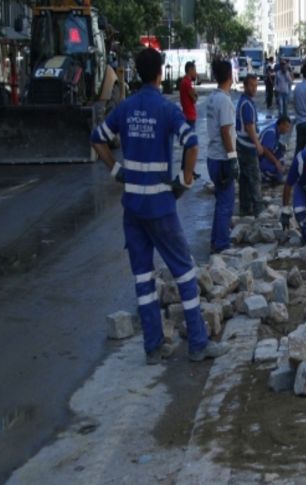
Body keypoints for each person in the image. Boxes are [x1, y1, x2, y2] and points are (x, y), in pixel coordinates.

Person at [90, 48, 227, 364]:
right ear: (159, 72)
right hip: (161, 207)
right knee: (185, 273)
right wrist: (185, 179)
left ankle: (153, 348)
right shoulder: (165, 110)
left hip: (132, 209)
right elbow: (191, 143)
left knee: (143, 278)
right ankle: (197, 344)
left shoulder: (125, 108)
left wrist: (116, 170)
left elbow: (98, 139)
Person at [205, 60, 239, 253]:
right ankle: (221, 245)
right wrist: (233, 158)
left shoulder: (212, 98)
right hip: (222, 158)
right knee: (226, 203)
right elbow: (226, 131)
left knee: (220, 201)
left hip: (213, 156)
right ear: (229, 76)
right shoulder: (224, 101)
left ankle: (216, 240)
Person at [235, 74, 265, 217]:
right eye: (252, 86)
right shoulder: (247, 104)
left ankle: (245, 208)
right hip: (247, 146)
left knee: (245, 179)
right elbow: (249, 127)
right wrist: (257, 144)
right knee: (254, 177)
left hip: (241, 144)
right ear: (245, 86)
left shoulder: (244, 101)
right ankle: (258, 209)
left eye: (256, 85)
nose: (254, 88)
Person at [258, 116, 291, 185]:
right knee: (276, 170)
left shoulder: (276, 130)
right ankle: (263, 174)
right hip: (259, 158)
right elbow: (266, 150)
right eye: (287, 127)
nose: (288, 130)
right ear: (281, 125)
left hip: (264, 155)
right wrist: (276, 162)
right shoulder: (271, 132)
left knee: (281, 152)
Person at [179, 61, 198, 170]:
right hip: (189, 116)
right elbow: (194, 98)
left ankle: (187, 167)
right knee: (190, 144)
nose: (196, 73)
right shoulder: (186, 82)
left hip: (188, 115)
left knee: (189, 144)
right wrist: (195, 94)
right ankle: (187, 168)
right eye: (194, 70)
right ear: (190, 70)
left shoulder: (186, 82)